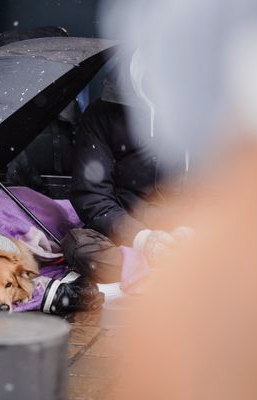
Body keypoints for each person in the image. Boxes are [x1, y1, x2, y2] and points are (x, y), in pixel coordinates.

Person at [63, 58, 191, 284]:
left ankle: (166, 269)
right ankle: (162, 271)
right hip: (125, 236)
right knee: (77, 245)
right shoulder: (102, 113)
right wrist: (142, 238)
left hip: (189, 233)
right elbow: (92, 195)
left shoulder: (203, 114)